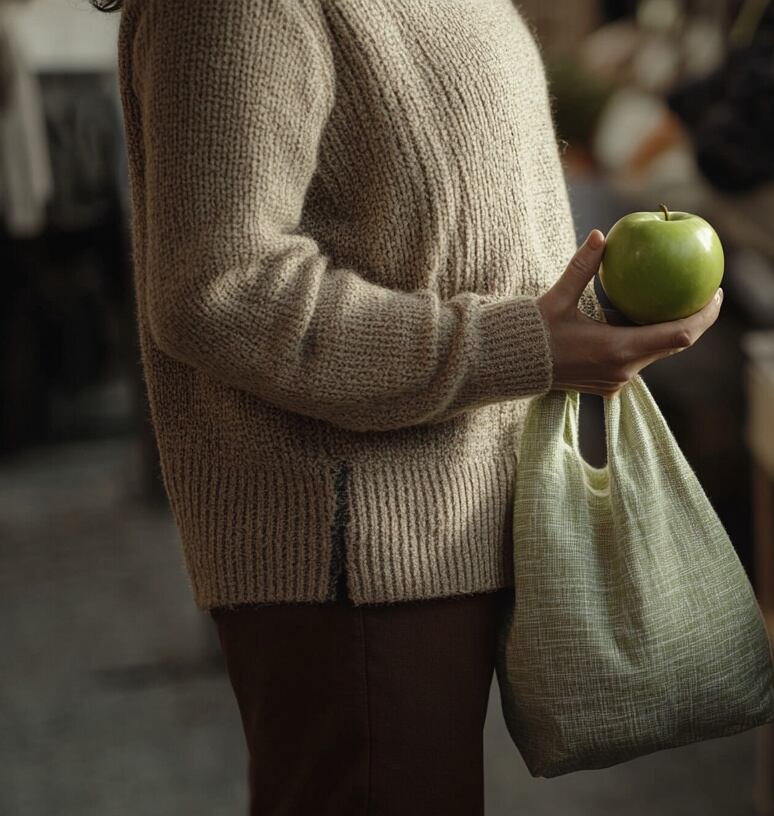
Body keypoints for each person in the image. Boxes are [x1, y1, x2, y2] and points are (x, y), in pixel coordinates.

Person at [109, 1, 722, 813]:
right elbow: (220, 290)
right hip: (353, 558)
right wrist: (519, 347)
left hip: (447, 525)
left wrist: (585, 332)